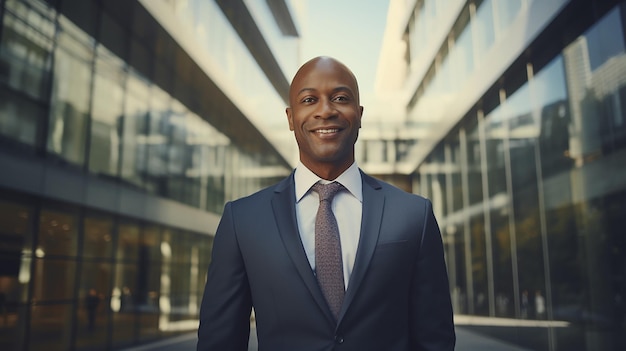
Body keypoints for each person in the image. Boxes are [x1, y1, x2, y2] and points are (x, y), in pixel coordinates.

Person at [197, 56, 455, 350]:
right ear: (291, 118)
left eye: (340, 98)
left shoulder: (414, 216)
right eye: (309, 99)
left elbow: (436, 339)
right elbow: (219, 341)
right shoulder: (241, 220)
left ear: (359, 114)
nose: (326, 110)